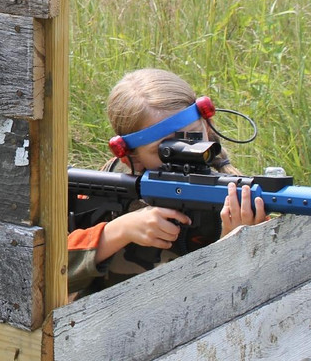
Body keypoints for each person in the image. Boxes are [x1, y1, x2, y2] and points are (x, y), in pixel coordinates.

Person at [68, 68, 269, 297]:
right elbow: (40, 269)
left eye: (194, 138)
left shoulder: (229, 195)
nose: (186, 153)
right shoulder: (108, 185)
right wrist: (117, 232)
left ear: (206, 125)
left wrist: (233, 240)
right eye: (165, 150)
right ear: (131, 157)